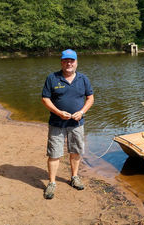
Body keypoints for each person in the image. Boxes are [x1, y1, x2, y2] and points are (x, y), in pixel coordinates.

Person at [41, 49, 94, 199]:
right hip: (56, 123)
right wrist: (58, 112)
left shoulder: (83, 79)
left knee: (75, 151)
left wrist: (82, 112)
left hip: (77, 124)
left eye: (71, 61)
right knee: (54, 153)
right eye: (65, 61)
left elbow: (90, 98)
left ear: (76, 62)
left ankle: (74, 177)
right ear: (61, 62)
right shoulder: (52, 78)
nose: (69, 63)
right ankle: (51, 183)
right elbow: (45, 99)